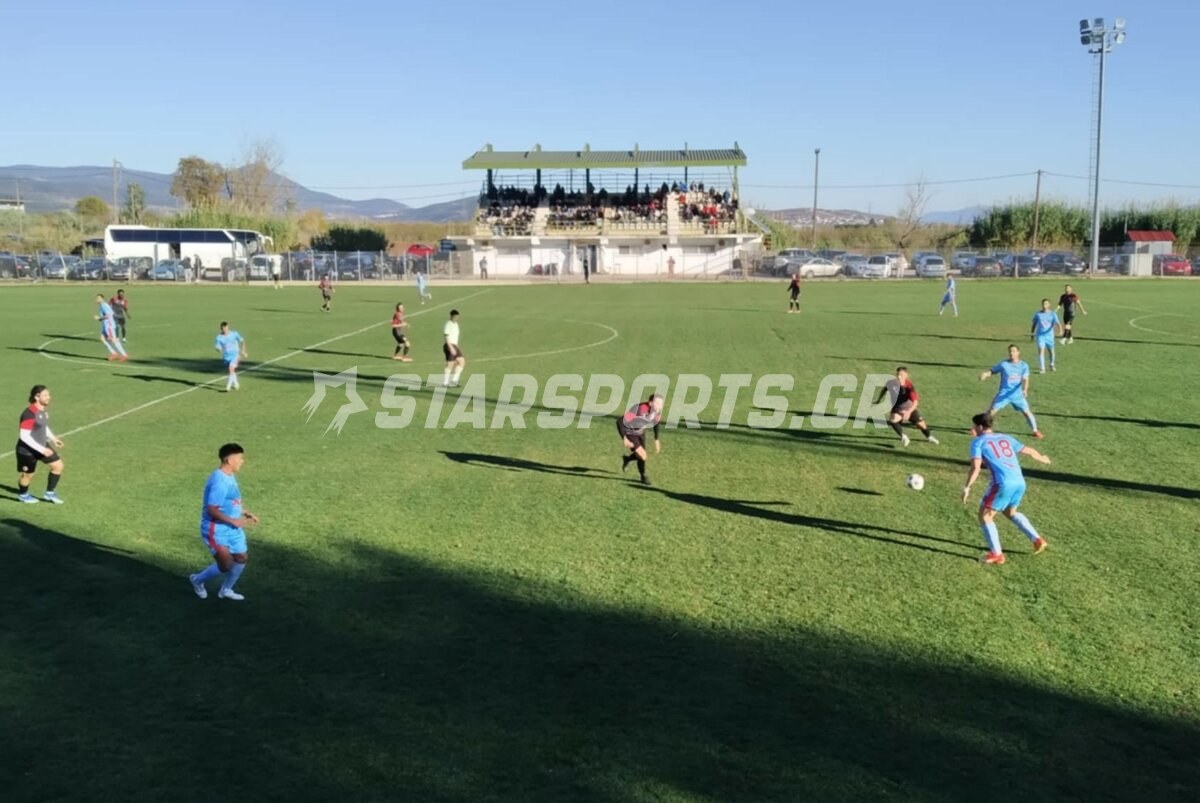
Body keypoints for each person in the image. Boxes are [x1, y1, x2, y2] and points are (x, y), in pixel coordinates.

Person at [962, 412, 1051, 565]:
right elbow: (1029, 451)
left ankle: (996, 554)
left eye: (974, 426)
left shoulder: (978, 442)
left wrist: (967, 487)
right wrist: (1042, 457)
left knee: (985, 516)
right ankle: (1037, 540)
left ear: (981, 427)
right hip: (1019, 481)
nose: (973, 429)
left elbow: (976, 467)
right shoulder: (1005, 437)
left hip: (1002, 483)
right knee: (1011, 512)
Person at [189, 443, 259, 601]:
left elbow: (231, 501)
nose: (243, 461)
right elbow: (211, 509)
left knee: (241, 558)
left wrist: (245, 512)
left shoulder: (229, 475)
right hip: (216, 530)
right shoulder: (219, 481)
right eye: (240, 458)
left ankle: (226, 590)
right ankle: (197, 580)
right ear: (229, 459)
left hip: (232, 527)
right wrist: (233, 521)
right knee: (226, 565)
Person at [15, 384, 65, 504]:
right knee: (28, 475)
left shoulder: (42, 411)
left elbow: (43, 426)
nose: (49, 397)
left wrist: (53, 438)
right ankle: (23, 495)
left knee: (58, 466)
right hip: (27, 450)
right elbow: (24, 436)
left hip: (41, 445)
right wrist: (42, 449)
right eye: (46, 395)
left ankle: (49, 493)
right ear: (37, 397)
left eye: (49, 394)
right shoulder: (29, 414)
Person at [979, 344, 1043, 438]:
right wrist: (985, 374)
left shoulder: (1023, 365)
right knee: (991, 411)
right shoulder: (1004, 364)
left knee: (1026, 412)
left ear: (1018, 352)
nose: (1011, 353)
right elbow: (992, 371)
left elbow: (1025, 379)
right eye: (1010, 351)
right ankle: (980, 428)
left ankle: (1035, 430)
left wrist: (1025, 390)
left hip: (1017, 395)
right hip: (1004, 394)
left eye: (1013, 351)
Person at [872, 366, 939, 447]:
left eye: (901, 375)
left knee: (921, 425)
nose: (899, 377)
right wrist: (879, 399)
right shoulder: (891, 382)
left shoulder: (909, 386)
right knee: (893, 420)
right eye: (898, 374)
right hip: (897, 408)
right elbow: (884, 389)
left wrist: (908, 412)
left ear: (906, 375)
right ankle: (904, 437)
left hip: (909, 408)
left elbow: (915, 402)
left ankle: (930, 437)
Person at [618, 394, 665, 486]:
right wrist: (624, 438)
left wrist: (656, 439)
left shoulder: (657, 411)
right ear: (650, 403)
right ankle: (643, 477)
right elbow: (620, 421)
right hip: (630, 431)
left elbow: (656, 423)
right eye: (658, 403)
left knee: (640, 455)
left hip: (640, 432)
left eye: (661, 404)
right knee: (643, 455)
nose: (660, 406)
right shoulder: (639, 409)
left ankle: (627, 459)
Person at [1030, 298, 1063, 373]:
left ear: (1049, 305)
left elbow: (1058, 323)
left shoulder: (1053, 314)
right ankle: (1042, 368)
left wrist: (1060, 330)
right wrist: (1032, 333)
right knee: (1041, 351)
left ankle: (1051, 364)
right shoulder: (1038, 314)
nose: (1044, 305)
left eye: (1046, 304)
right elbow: (1034, 323)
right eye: (1043, 304)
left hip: (1050, 336)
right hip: (1040, 336)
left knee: (1051, 351)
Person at [94, 293, 128, 362]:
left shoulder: (104, 305)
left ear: (102, 299)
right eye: (96, 298)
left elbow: (110, 314)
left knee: (113, 340)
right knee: (102, 339)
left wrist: (100, 318)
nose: (96, 300)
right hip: (105, 325)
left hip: (109, 325)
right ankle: (113, 353)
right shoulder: (102, 305)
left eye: (98, 298)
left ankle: (124, 355)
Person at [215, 321, 247, 391]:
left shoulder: (234, 334)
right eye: (223, 329)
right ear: (221, 329)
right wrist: (218, 349)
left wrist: (243, 350)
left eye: (226, 328)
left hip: (235, 355)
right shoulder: (219, 337)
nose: (225, 330)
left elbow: (242, 340)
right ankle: (236, 384)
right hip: (226, 356)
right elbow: (218, 347)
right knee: (232, 370)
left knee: (231, 368)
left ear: (228, 327)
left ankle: (228, 386)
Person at [442, 309, 464, 387]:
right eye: (455, 317)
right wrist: (450, 347)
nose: (456, 318)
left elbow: (455, 337)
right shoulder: (448, 324)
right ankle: (445, 383)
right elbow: (446, 336)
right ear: (451, 316)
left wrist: (456, 347)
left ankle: (454, 380)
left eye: (457, 317)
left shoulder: (456, 324)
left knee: (461, 362)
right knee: (450, 364)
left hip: (455, 346)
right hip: (449, 345)